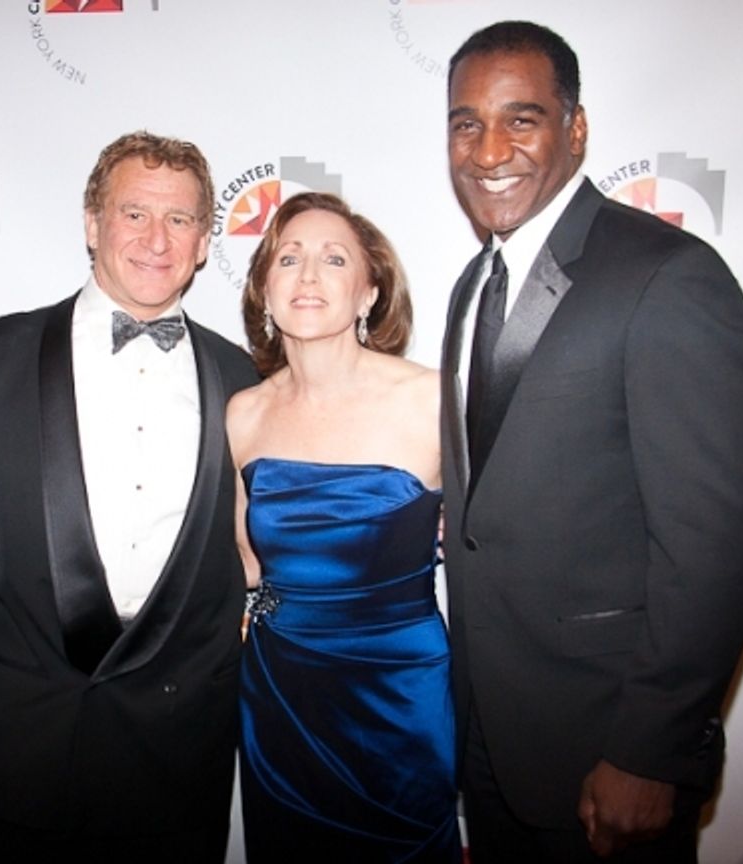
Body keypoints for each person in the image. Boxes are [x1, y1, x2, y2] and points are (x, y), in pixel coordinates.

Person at [439, 20, 743, 863]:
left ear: (575, 129)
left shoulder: (667, 275)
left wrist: (649, 750)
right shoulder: (471, 289)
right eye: (466, 123)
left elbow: (715, 545)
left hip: (609, 747)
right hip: (489, 741)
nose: (489, 150)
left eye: (522, 118)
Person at [0, 130, 257, 862]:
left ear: (205, 242)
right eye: (134, 213)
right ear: (92, 223)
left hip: (180, 754)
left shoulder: (244, 379)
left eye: (179, 220)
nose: (157, 239)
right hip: (26, 743)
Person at [228, 191, 460, 862]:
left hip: (399, 696)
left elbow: (500, 539)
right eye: (288, 258)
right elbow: (246, 563)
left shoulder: (431, 399)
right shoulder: (243, 414)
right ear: (265, 291)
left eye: (334, 259)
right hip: (282, 696)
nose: (307, 276)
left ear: (368, 292)